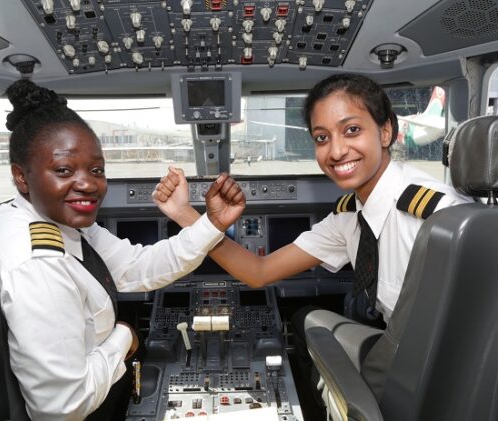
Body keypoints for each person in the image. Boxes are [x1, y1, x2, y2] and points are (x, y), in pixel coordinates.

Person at [153, 73, 473, 411]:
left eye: (352, 130)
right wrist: (186, 215)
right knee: (305, 315)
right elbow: (259, 272)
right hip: (408, 350)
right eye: (322, 137)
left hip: (440, 374)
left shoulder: (437, 216)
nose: (336, 151)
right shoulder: (349, 217)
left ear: (385, 131)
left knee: (310, 325)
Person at [0, 79, 245, 421]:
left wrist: (212, 223)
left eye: (97, 170)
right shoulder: (37, 262)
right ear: (21, 177)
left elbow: (138, 267)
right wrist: (124, 336)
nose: (88, 184)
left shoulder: (65, 225)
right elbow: (63, 407)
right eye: (63, 170)